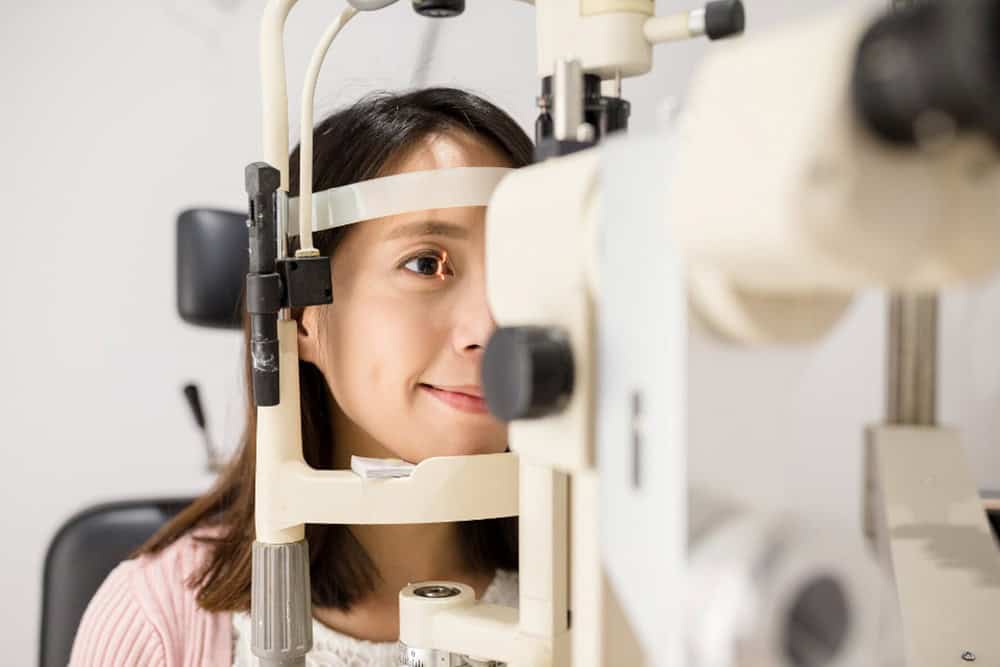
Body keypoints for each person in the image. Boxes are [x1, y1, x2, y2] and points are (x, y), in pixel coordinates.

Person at [70, 87, 532, 666]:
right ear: (301, 314)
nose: (491, 329)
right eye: (425, 263)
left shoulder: (600, 596)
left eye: (519, 266)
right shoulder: (160, 623)